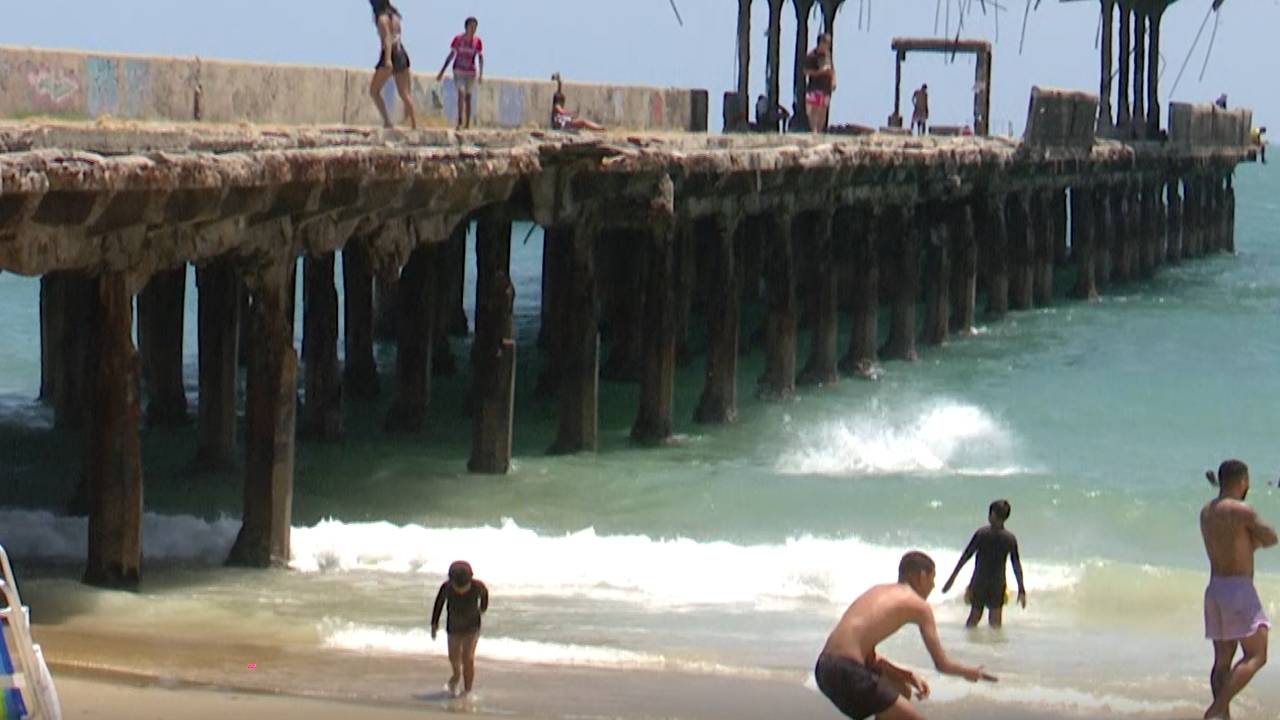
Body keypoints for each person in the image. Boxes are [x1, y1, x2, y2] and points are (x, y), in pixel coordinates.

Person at [816, 551, 996, 720]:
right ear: (921, 576)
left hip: (824, 669)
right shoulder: (919, 606)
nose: (933, 586)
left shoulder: (877, 591)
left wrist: (906, 675)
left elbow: (868, 656)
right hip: (847, 671)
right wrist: (970, 672)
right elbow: (942, 665)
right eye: (932, 579)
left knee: (901, 690)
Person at [1200, 460, 1276, 720]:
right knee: (1257, 654)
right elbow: (1271, 537)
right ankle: (1216, 710)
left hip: (1215, 589)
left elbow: (1229, 541)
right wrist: (1254, 542)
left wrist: (1247, 542)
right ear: (1242, 481)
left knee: (1222, 660)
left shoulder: (1206, 512)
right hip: (1238, 589)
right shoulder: (1242, 510)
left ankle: (1223, 716)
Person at [941, 500, 1027, 629]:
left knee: (973, 618)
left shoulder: (981, 534)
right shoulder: (1010, 539)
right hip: (998, 584)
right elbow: (1016, 565)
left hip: (979, 582)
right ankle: (995, 648)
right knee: (996, 623)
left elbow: (966, 556)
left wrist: (952, 578)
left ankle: (969, 645)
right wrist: (1021, 589)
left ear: (992, 514)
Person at [431, 560, 490, 698]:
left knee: (468, 657)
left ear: (470, 580)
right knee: (453, 656)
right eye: (457, 587)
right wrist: (434, 624)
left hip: (472, 626)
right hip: (454, 626)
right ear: (451, 581)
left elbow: (485, 596)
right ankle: (456, 674)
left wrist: (483, 608)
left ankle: (467, 690)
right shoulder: (446, 588)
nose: (460, 590)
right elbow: (438, 604)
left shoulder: (478, 586)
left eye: (463, 587)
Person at [368, 0, 417, 130]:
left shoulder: (381, 19)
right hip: (401, 52)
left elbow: (387, 39)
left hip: (390, 54)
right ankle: (414, 124)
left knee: (374, 90)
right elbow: (396, 37)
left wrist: (388, 60)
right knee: (404, 93)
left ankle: (387, 121)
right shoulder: (395, 17)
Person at [437, 17, 484, 131]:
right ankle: (459, 121)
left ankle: (467, 123)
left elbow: (480, 57)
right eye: (471, 26)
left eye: (475, 27)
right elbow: (451, 55)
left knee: (468, 96)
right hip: (459, 70)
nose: (473, 29)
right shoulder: (458, 39)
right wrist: (442, 71)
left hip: (471, 72)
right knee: (461, 93)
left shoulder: (477, 41)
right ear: (466, 27)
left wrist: (481, 74)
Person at [803, 34, 836, 134]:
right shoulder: (811, 55)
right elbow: (806, 71)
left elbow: (832, 69)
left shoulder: (827, 56)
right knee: (814, 109)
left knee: (823, 110)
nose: (827, 47)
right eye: (825, 44)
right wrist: (819, 72)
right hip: (815, 87)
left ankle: (820, 131)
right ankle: (814, 131)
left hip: (825, 88)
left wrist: (833, 81)